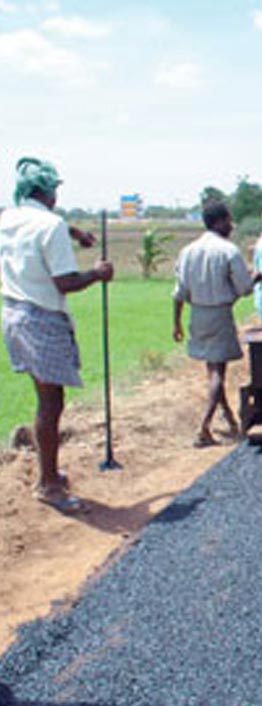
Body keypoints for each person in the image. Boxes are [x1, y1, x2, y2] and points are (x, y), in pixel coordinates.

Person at [0, 157, 114, 513]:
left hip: (13, 313)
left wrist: (75, 232)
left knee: (45, 397)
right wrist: (97, 273)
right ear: (47, 192)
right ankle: (48, 484)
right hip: (42, 318)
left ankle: (49, 472)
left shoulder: (8, 218)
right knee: (51, 403)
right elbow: (66, 281)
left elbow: (44, 227)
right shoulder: (50, 225)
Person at [172, 200, 257, 447]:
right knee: (218, 373)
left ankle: (229, 418)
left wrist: (176, 324)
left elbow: (179, 293)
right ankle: (203, 428)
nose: (231, 225)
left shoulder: (187, 252)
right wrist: (256, 278)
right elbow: (244, 288)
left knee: (212, 369)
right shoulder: (228, 251)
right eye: (229, 221)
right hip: (219, 313)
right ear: (219, 221)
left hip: (196, 314)